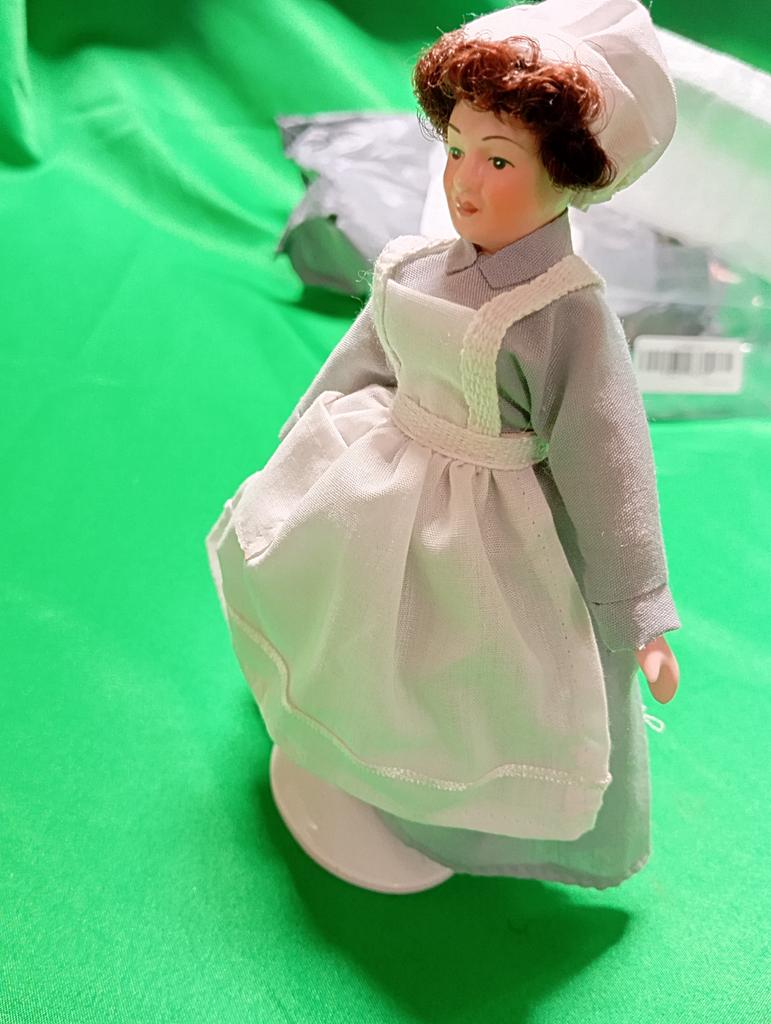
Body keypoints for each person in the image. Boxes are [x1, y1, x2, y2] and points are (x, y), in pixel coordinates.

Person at [206, 0, 681, 889]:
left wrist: (639, 610)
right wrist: (300, 443)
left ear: (567, 173)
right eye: (456, 149)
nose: (464, 181)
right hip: (374, 490)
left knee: (458, 678)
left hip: (487, 535)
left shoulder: (564, 315)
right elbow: (361, 361)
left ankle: (430, 816)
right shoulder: (413, 264)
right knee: (352, 631)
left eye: (498, 160)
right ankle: (333, 747)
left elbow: (608, 462)